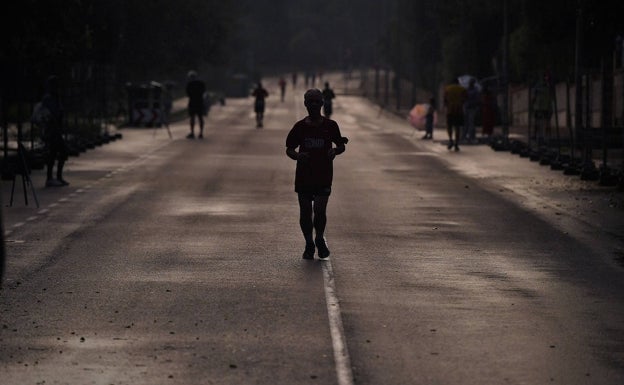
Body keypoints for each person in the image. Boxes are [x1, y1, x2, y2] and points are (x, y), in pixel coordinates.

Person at [286, 89, 347, 260]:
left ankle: (319, 238)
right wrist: (298, 156)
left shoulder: (331, 126)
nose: (313, 105)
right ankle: (308, 243)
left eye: (317, 102)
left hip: (323, 175)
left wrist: (335, 151)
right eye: (310, 101)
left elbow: (341, 145)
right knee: (305, 212)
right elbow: (289, 149)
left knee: (319, 210)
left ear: (322, 103)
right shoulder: (299, 127)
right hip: (304, 176)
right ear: (305, 104)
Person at [39, 75, 69, 187]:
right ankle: (51, 178)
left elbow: (60, 112)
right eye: (55, 86)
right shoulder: (48, 98)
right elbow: (50, 114)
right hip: (51, 131)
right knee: (57, 153)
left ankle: (56, 177)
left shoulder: (57, 97)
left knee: (58, 153)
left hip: (57, 131)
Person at [443, 77, 467, 151]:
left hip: (450, 110)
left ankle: (451, 140)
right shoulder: (462, 89)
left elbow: (445, 100)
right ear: (458, 82)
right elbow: (465, 99)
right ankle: (456, 143)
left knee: (449, 126)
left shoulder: (447, 89)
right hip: (459, 110)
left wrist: (447, 106)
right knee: (457, 127)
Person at [185, 70, 206, 139]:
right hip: (200, 102)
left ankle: (192, 132)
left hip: (192, 102)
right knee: (200, 118)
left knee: (192, 118)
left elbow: (187, 94)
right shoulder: (201, 83)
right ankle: (201, 133)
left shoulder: (189, 84)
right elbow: (204, 92)